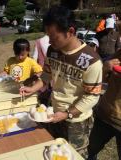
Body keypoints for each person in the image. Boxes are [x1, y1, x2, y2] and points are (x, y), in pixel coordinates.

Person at [19, 6, 102, 159]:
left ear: (70, 31)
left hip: (77, 120)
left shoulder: (91, 61)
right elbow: (47, 76)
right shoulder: (53, 50)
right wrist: (33, 88)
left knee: (75, 155)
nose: (50, 42)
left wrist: (67, 114)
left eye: (54, 37)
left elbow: (92, 97)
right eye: (48, 36)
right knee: (52, 150)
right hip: (54, 113)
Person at [87, 50, 121, 160]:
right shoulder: (119, 53)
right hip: (105, 114)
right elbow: (104, 80)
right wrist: (105, 67)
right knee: (90, 150)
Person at [32, 35, 51, 106]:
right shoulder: (58, 42)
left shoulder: (39, 42)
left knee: (42, 101)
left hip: (42, 75)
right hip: (52, 76)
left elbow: (34, 59)